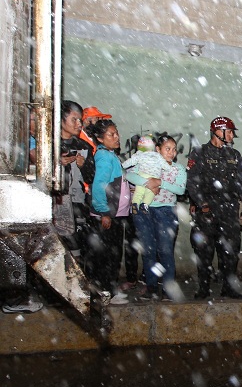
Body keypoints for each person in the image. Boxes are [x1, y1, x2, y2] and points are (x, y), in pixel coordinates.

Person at [186, 116, 242, 300]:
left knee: (230, 252)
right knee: (204, 251)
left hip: (229, 210)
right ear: (217, 132)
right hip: (206, 210)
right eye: (229, 131)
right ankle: (203, 288)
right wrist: (201, 203)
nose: (231, 135)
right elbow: (192, 182)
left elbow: (241, 182)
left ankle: (229, 287)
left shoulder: (234, 155)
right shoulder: (199, 152)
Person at [125, 134, 187, 300]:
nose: (172, 153)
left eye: (174, 150)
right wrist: (147, 183)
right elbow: (130, 175)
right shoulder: (147, 163)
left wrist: (160, 183)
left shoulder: (178, 169)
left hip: (166, 212)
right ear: (157, 149)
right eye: (168, 149)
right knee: (148, 251)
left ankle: (168, 289)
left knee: (166, 251)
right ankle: (151, 288)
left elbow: (180, 190)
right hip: (144, 212)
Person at [84, 119, 131, 304]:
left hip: (114, 214)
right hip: (109, 215)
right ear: (99, 138)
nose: (116, 137)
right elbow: (99, 186)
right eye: (111, 134)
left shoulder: (110, 155)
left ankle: (107, 290)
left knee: (110, 254)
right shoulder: (104, 157)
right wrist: (104, 212)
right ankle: (107, 293)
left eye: (116, 132)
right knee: (108, 256)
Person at [57, 101, 95, 262]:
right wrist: (56, 163)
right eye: (74, 119)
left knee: (78, 250)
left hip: (78, 203)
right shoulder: (49, 145)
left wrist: (83, 165)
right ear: (60, 120)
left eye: (80, 120)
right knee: (57, 247)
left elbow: (91, 177)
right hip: (55, 204)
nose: (79, 124)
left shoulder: (84, 146)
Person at [122, 135, 171, 214]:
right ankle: (145, 204)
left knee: (138, 192)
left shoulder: (139, 154)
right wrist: (169, 168)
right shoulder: (157, 156)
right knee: (150, 193)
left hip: (141, 175)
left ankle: (135, 203)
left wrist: (122, 165)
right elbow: (165, 165)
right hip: (152, 177)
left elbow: (130, 162)